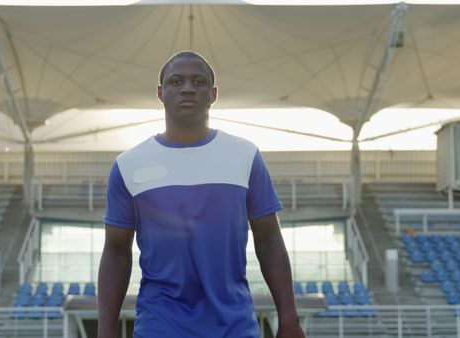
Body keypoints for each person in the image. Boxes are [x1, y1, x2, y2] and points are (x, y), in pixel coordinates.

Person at [98, 51, 305, 338]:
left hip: (235, 327)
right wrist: (105, 332)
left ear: (214, 94)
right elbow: (116, 252)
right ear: (160, 93)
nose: (187, 88)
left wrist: (289, 317)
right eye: (176, 81)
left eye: (198, 81)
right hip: (160, 327)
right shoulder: (129, 165)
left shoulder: (244, 156)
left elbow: (269, 237)